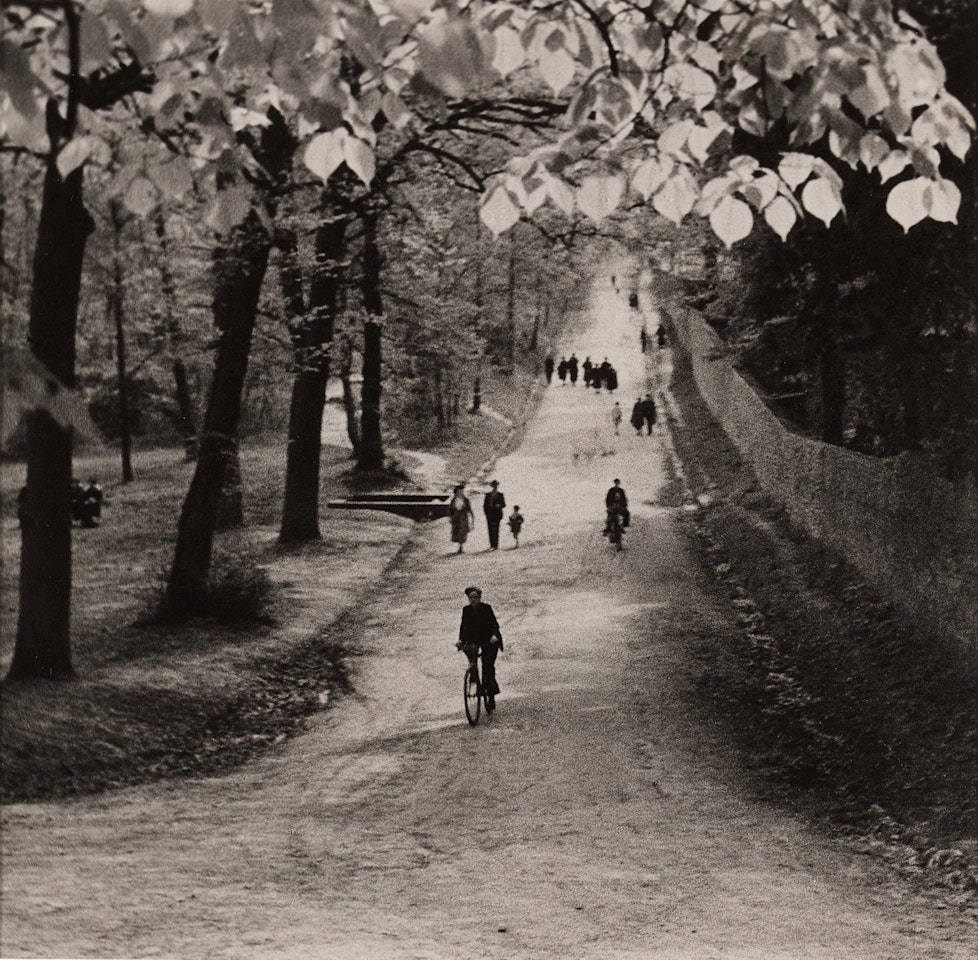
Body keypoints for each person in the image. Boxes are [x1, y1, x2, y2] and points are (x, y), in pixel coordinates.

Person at [456, 586, 504, 712]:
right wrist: (461, 640)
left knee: (488, 666)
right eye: (471, 598)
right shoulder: (466, 610)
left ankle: (491, 693)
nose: (473, 600)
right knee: (472, 662)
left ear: (480, 598)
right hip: (475, 640)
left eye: (475, 598)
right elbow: (464, 626)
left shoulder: (486, 608)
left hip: (489, 640)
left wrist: (494, 636)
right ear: (468, 599)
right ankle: (474, 679)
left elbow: (494, 624)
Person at [449, 484, 474, 553]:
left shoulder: (466, 500)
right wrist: (451, 517)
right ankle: (459, 545)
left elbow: (469, 509)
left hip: (463, 517)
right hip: (456, 517)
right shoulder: (453, 500)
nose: (460, 492)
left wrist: (472, 518)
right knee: (456, 531)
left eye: (461, 491)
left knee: (462, 531)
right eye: (459, 491)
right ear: (456, 492)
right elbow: (450, 510)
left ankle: (461, 546)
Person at [483, 480, 506, 550]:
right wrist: (486, 513)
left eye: (496, 485)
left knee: (496, 529)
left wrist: (499, 505)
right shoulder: (488, 495)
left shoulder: (500, 495)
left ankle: (495, 545)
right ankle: (492, 545)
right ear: (492, 486)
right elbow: (485, 505)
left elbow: (504, 504)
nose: (495, 487)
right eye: (494, 485)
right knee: (490, 529)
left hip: (497, 514)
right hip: (490, 514)